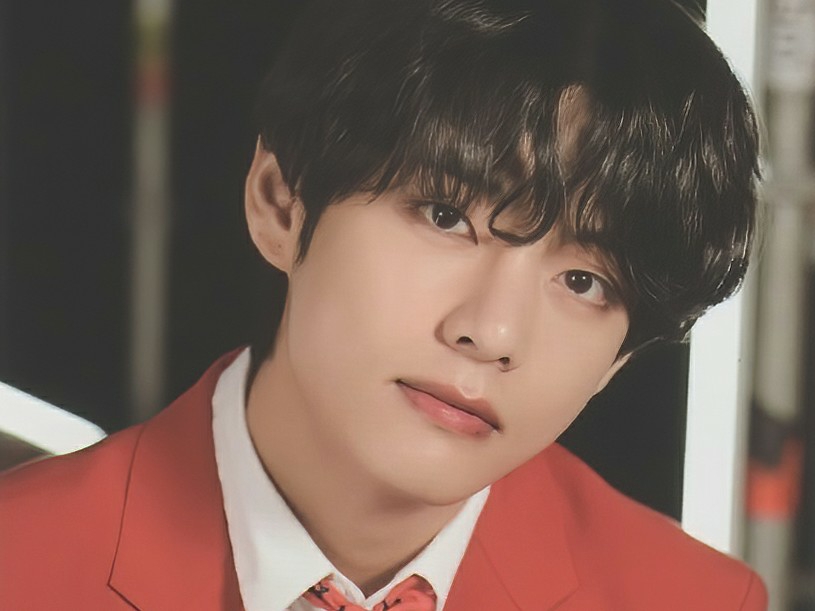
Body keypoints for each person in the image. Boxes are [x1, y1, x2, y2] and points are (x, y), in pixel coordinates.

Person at [0, 0, 766, 609]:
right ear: (280, 203)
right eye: (446, 217)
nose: (492, 331)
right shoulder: (19, 562)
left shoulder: (693, 599)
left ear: (618, 359)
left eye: (583, 282)